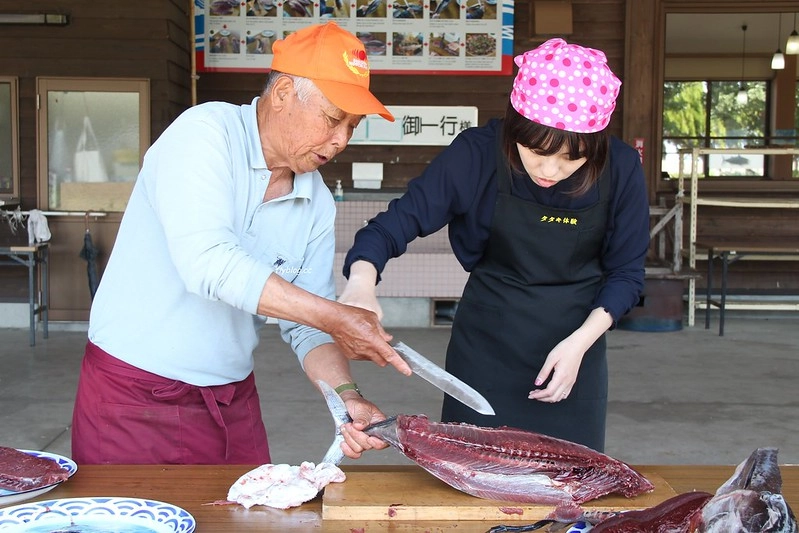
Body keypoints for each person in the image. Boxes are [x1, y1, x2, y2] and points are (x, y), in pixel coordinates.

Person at [71, 22, 413, 465]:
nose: (341, 140)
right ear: (284, 92)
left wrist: (348, 396)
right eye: (332, 119)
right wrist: (339, 317)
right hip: (133, 392)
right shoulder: (204, 134)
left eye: (353, 126)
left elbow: (307, 323)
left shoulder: (316, 202)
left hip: (231, 398)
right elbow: (209, 264)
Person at [340, 38, 650, 452]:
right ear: (515, 127)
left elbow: (627, 273)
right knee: (475, 476)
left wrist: (580, 344)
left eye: (571, 159)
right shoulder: (477, 154)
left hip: (576, 346)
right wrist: (361, 282)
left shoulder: (622, 167)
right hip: (486, 350)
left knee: (569, 483)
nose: (550, 171)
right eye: (537, 152)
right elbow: (392, 226)